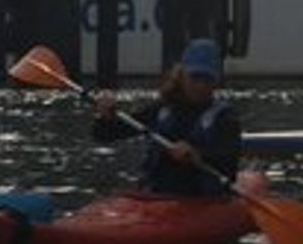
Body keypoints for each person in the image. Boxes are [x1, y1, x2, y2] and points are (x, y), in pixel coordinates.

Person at [92, 38, 241, 196]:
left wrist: (198, 155)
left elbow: (229, 163)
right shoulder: (162, 109)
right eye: (195, 77)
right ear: (182, 74)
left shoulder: (224, 118)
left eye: (207, 79)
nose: (201, 86)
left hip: (201, 199)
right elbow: (104, 135)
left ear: (216, 81)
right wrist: (105, 117)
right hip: (157, 196)